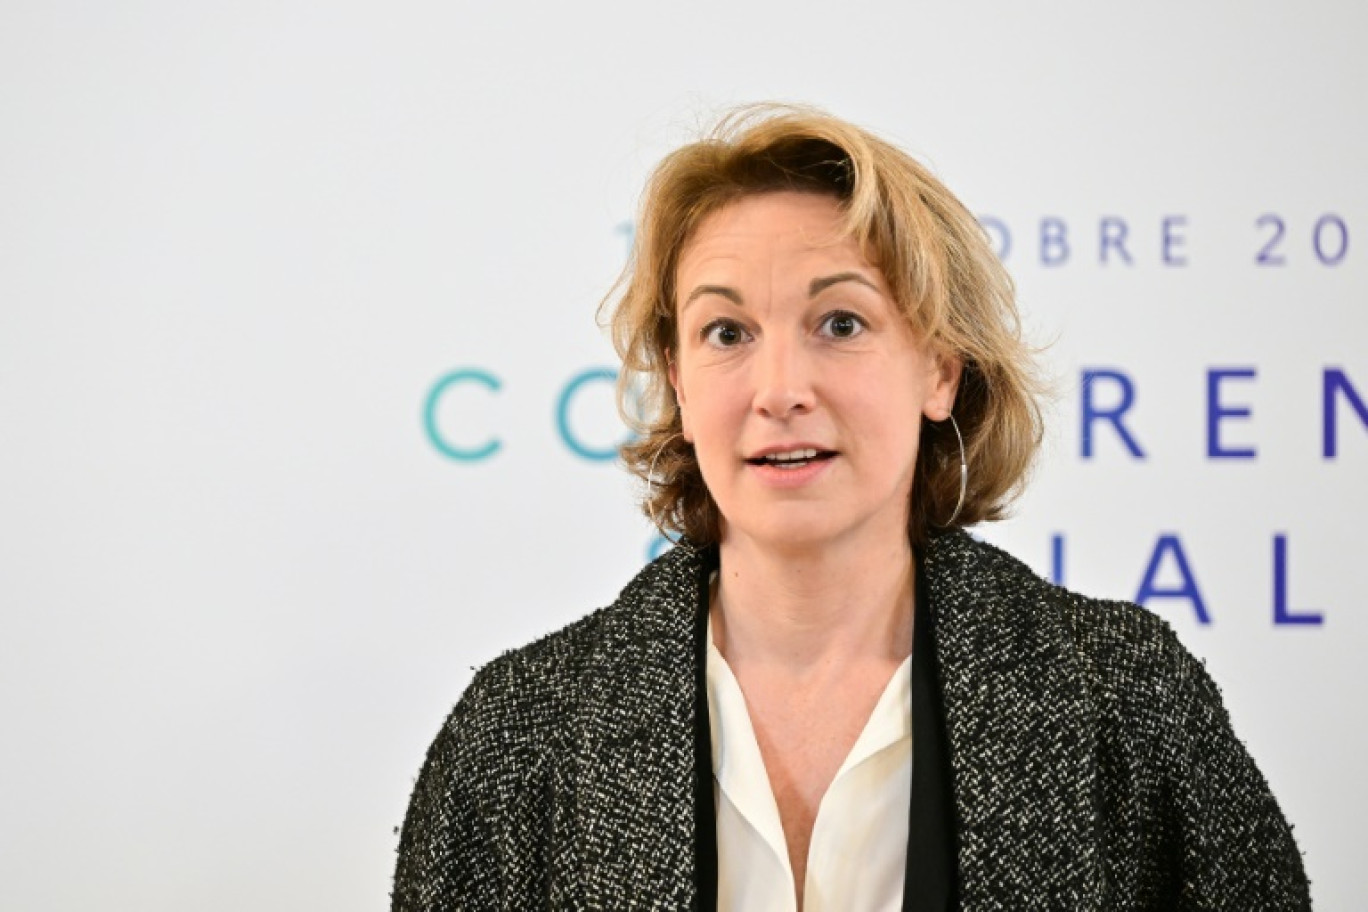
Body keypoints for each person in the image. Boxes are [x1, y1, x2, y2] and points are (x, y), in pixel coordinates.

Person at [392, 105, 1310, 911]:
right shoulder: (516, 735)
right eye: (726, 332)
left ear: (941, 368)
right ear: (677, 377)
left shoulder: (1127, 700)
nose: (779, 388)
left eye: (840, 323)